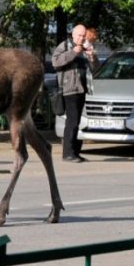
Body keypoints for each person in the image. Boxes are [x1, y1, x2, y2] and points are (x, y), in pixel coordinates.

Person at [52, 24, 100, 163]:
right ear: (73, 34)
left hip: (82, 89)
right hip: (69, 89)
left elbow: (96, 70)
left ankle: (75, 152)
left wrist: (92, 57)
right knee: (72, 121)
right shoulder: (65, 46)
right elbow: (56, 62)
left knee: (77, 122)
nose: (81, 38)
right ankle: (68, 153)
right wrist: (73, 52)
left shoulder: (86, 48)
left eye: (83, 36)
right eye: (79, 35)